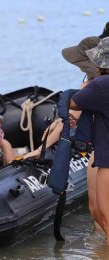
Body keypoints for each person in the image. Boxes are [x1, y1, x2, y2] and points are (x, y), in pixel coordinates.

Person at [69, 36, 109, 245]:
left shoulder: (101, 85)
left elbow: (74, 103)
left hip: (107, 164)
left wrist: (86, 87)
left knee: (106, 219)